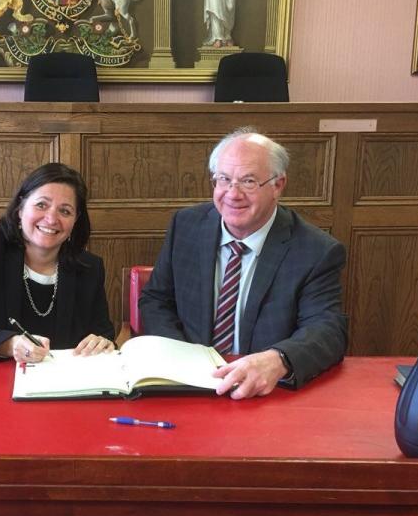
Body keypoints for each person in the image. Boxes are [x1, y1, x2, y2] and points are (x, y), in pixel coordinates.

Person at [139, 129, 348, 399]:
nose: (232, 194)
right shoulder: (186, 226)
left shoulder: (315, 250)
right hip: (189, 388)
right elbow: (156, 299)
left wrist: (279, 359)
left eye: (248, 182)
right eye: (223, 179)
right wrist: (183, 357)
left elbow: (327, 329)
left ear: (278, 185)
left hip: (264, 393)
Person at [0, 162, 116, 364]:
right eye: (41, 205)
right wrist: (11, 344)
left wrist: (102, 343)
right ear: (20, 209)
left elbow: (104, 334)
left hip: (59, 387)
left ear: (75, 221)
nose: (51, 219)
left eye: (65, 211)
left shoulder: (89, 268)